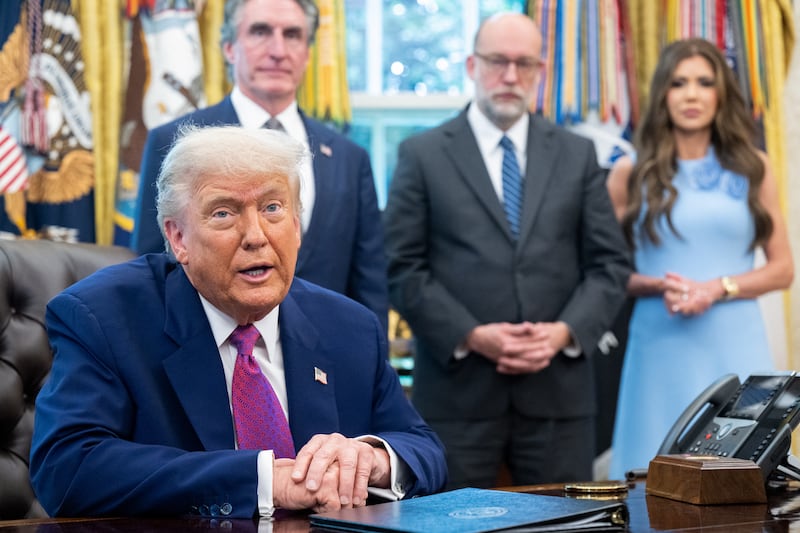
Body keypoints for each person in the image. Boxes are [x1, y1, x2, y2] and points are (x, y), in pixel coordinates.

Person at [29, 125, 447, 518]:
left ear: (297, 226)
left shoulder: (349, 326)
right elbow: (67, 468)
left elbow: (423, 449)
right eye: (224, 213)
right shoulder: (103, 317)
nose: (256, 235)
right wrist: (265, 480)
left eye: (272, 208)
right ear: (178, 238)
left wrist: (373, 459)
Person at [384, 12, 631, 489]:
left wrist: (564, 332)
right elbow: (402, 269)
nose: (510, 77)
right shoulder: (423, 153)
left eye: (525, 64)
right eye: (498, 61)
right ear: (471, 65)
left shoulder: (577, 154)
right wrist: (472, 335)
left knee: (566, 525)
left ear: (540, 71)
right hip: (459, 398)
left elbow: (609, 265)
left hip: (559, 398)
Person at [131, 0, 388, 331]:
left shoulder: (348, 157)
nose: (278, 50)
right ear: (229, 48)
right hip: (209, 356)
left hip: (326, 364)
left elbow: (370, 285)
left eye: (293, 35)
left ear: (308, 53)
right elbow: (155, 268)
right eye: (260, 32)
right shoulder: (176, 143)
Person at [607, 38, 794, 479]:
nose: (691, 94)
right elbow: (606, 272)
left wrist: (716, 288)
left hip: (735, 343)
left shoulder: (754, 167)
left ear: (720, 94)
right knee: (649, 476)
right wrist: (658, 285)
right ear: (662, 95)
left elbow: (782, 269)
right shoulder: (628, 171)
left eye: (704, 83)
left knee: (742, 478)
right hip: (658, 343)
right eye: (679, 83)